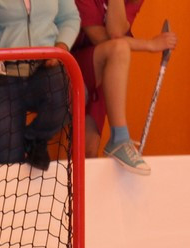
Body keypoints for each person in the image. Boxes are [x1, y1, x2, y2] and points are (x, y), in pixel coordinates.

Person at [71, 0, 178, 175]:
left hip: (103, 70)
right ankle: (120, 138)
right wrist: (149, 44)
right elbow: (100, 38)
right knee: (119, 49)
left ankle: (117, 142)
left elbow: (116, 31)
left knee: (89, 150)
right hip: (72, 64)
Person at [0, 0, 82, 170]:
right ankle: (24, 144)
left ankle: (34, 139)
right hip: (0, 74)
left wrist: (60, 47)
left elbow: (70, 18)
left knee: (70, 96)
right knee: (7, 163)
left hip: (44, 67)